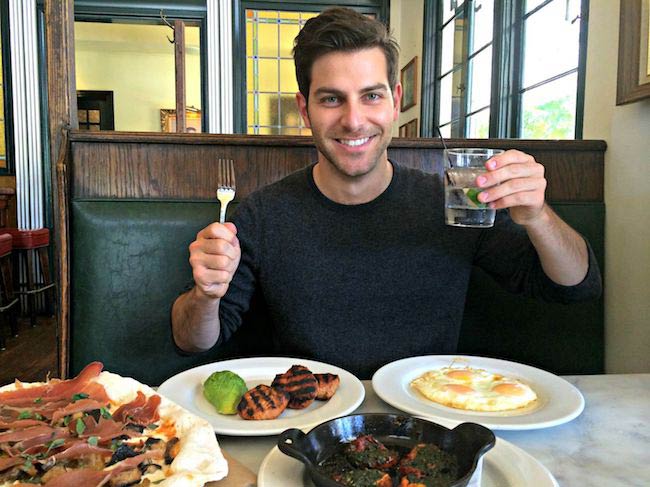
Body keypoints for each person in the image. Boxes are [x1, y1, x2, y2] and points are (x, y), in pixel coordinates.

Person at [172, 7, 601, 378]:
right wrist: (206, 295)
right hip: (308, 424)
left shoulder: (452, 203)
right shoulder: (261, 215)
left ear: (395, 100)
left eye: (371, 96)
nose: (354, 120)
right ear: (305, 110)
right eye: (331, 99)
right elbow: (192, 341)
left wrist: (538, 215)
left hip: (431, 419)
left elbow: (575, 287)